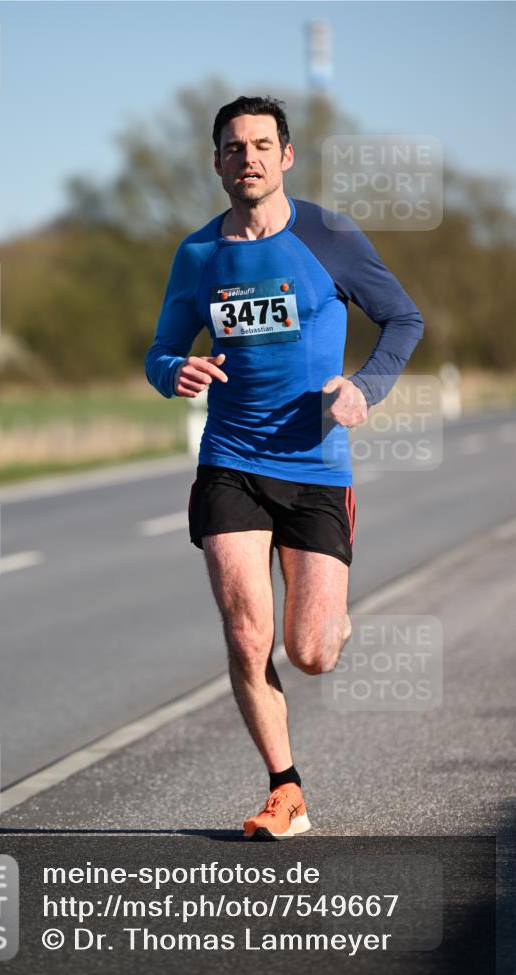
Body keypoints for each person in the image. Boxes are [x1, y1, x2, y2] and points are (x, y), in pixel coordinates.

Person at [144, 96, 423, 839]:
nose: (249, 159)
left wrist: (363, 389)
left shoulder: (328, 234)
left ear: (286, 156)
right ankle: (284, 789)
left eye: (261, 146)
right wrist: (175, 369)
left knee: (310, 653)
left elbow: (403, 318)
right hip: (230, 460)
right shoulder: (199, 254)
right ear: (216, 163)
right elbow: (160, 348)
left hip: (315, 465)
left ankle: (332, 620)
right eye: (233, 149)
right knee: (243, 633)